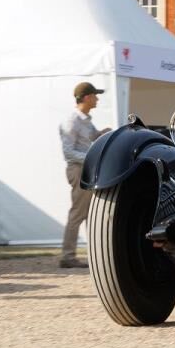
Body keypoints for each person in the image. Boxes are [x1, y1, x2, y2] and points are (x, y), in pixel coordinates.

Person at [58, 82, 110, 268]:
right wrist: (92, 156)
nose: (97, 98)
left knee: (90, 214)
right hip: (78, 170)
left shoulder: (85, 120)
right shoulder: (71, 121)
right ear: (87, 97)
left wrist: (101, 134)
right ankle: (67, 256)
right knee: (78, 213)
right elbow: (69, 152)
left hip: (86, 169)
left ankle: (93, 256)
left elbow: (88, 139)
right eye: (95, 95)